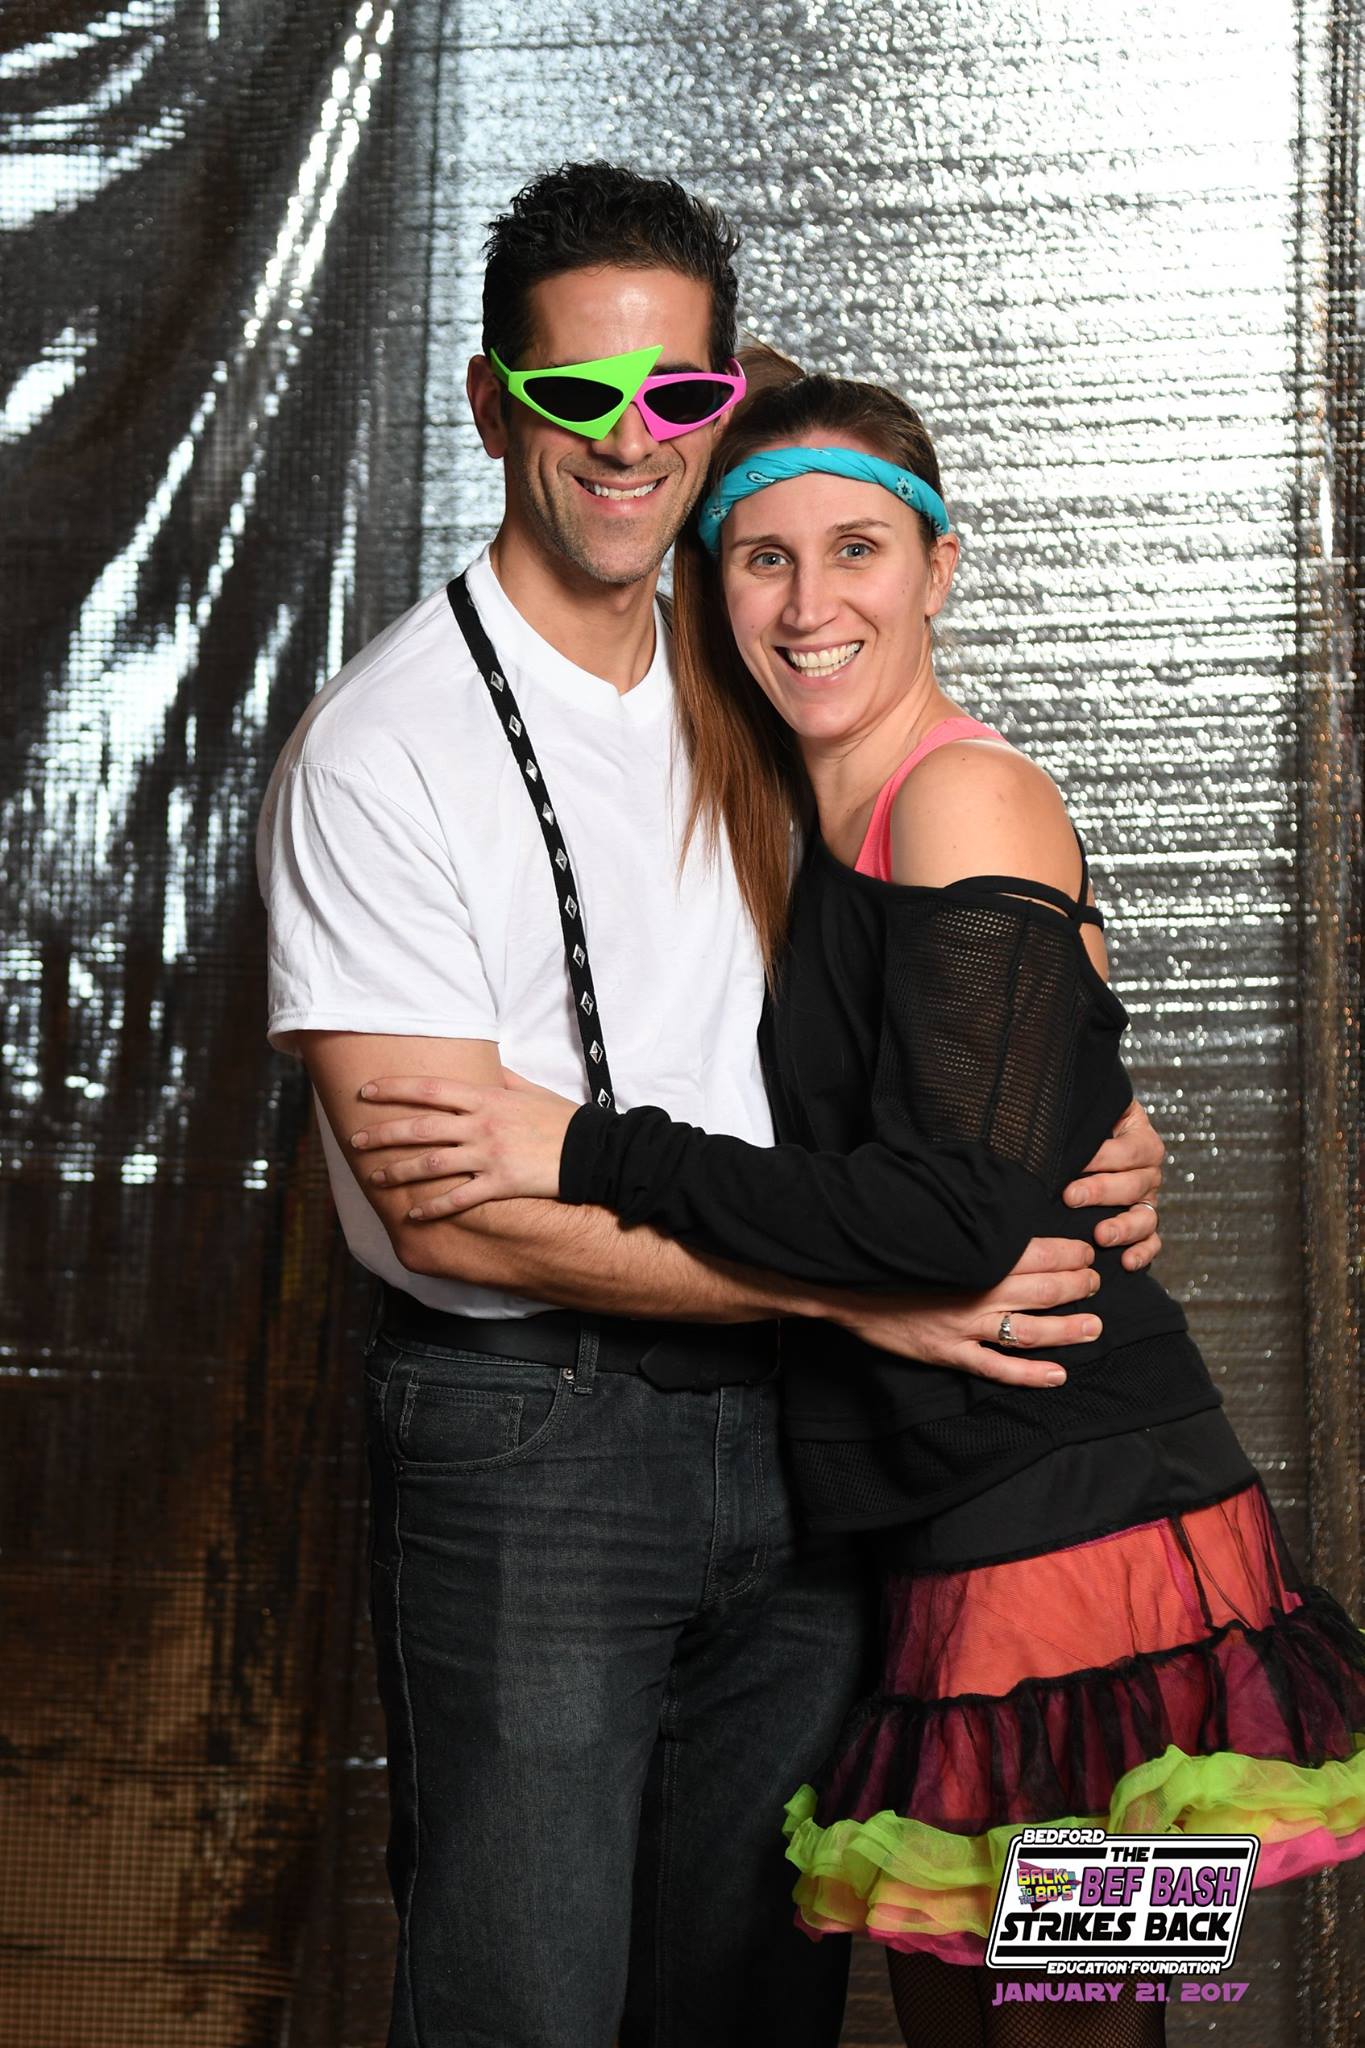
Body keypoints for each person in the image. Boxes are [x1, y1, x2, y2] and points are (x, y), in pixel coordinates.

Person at [257, 166, 1166, 2048]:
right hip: (783, 1452)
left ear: (938, 570)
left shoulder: (893, 753)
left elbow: (989, 1109)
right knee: (651, 1995)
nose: (630, 440)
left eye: (677, 398)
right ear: (493, 403)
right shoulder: (472, 735)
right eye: (575, 393)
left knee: (1077, 1995)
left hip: (1065, 1479)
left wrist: (1079, 1118)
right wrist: (912, 1252)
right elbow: (442, 1206)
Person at [357, 362, 1365, 2047]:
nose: (810, 604)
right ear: (710, 580)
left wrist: (584, 1149)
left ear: (938, 569)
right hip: (939, 1539)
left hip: (1100, 1537)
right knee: (958, 2026)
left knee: (1083, 2021)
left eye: (858, 551)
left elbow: (958, 1221)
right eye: (764, 556)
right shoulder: (790, 820)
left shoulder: (959, 795)